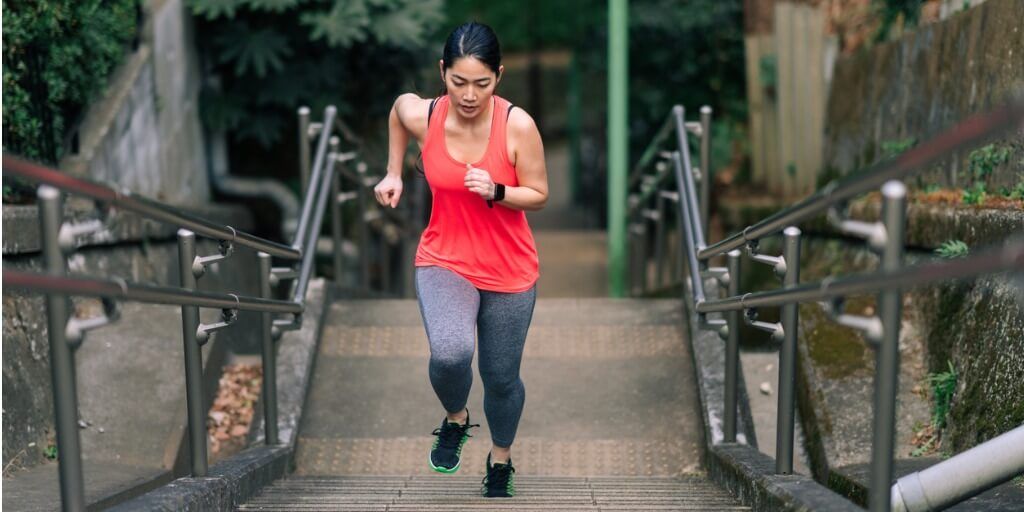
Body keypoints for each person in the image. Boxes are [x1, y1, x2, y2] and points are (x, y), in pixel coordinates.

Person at [372, 21, 548, 498]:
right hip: (443, 257)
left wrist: (497, 191)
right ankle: (456, 417)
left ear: (500, 76)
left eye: (483, 83)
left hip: (510, 269)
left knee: (500, 377)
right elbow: (396, 109)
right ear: (443, 72)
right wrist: (394, 173)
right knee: (450, 353)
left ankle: (500, 459)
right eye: (459, 81)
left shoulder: (517, 125)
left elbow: (539, 194)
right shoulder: (425, 116)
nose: (470, 95)